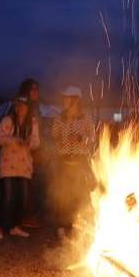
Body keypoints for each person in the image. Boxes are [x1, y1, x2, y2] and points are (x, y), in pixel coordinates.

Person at [50, 86, 95, 240]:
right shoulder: (59, 118)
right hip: (64, 161)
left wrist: (81, 139)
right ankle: (61, 227)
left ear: (76, 100)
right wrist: (60, 141)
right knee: (62, 196)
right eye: (64, 97)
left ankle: (78, 228)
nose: (64, 100)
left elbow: (93, 139)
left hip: (80, 162)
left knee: (80, 195)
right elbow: (54, 136)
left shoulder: (86, 118)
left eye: (68, 97)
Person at [0, 96, 40, 240]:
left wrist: (28, 143)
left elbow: (37, 142)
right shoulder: (8, 121)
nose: (20, 109)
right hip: (7, 164)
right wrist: (14, 140)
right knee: (7, 196)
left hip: (24, 165)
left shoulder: (32, 123)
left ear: (28, 108)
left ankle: (15, 226)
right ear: (14, 107)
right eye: (18, 106)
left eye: (24, 106)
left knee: (23, 197)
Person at [18, 78, 45, 228]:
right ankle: (23, 216)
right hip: (22, 153)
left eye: (37, 89)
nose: (36, 92)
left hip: (34, 150)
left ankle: (28, 214)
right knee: (24, 185)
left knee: (31, 184)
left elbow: (38, 131)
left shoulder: (36, 108)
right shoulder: (21, 108)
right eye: (32, 89)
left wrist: (39, 150)